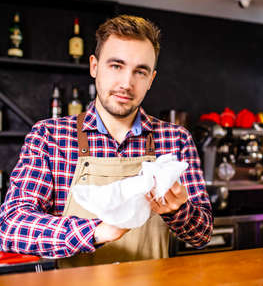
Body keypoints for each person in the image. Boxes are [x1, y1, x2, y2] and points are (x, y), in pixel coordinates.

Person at [0, 15, 212, 267]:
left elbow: (202, 235)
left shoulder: (175, 139)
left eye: (140, 71)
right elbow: (11, 225)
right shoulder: (50, 136)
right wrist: (96, 231)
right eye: (116, 66)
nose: (126, 83)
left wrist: (178, 211)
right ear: (94, 66)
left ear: (151, 79)